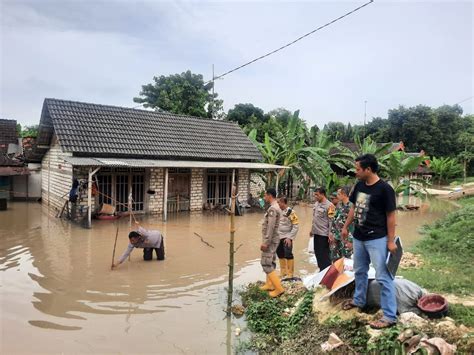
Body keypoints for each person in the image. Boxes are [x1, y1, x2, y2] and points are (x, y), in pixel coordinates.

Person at [341, 154, 398, 329]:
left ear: (368, 169)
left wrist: (390, 241)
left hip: (377, 238)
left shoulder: (385, 189)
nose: (355, 172)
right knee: (360, 271)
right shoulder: (359, 185)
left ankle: (389, 315)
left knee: (383, 276)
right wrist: (345, 226)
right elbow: (354, 208)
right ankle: (359, 301)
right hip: (359, 236)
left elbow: (391, 216)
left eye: (358, 169)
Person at [259, 188, 285, 297]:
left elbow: (270, 227)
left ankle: (279, 289)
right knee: (271, 261)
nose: (264, 197)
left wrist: (266, 242)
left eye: (265, 195)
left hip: (270, 240)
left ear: (269, 195)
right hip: (274, 239)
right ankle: (269, 284)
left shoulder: (273, 209)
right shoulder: (275, 207)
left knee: (265, 263)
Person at [310, 187, 335, 271]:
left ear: (322, 194)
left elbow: (331, 221)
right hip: (316, 233)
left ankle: (326, 272)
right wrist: (311, 229)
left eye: (317, 195)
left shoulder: (330, 206)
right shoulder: (316, 204)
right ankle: (321, 271)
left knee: (324, 255)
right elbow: (314, 218)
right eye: (315, 195)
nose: (315, 197)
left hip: (324, 234)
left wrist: (330, 234)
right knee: (317, 253)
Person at [276, 195, 299, 279]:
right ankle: (283, 272)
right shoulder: (278, 211)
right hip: (278, 236)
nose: (278, 204)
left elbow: (295, 226)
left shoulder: (291, 212)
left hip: (287, 237)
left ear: (283, 202)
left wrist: (290, 238)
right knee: (280, 254)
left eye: (279, 202)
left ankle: (290, 273)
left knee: (288, 254)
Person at [329, 186, 354, 261]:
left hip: (346, 239)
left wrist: (350, 240)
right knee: (335, 259)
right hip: (337, 237)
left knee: (346, 261)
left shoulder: (351, 207)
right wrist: (332, 233)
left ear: (344, 195)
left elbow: (353, 224)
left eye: (339, 194)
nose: (337, 196)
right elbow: (335, 220)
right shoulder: (339, 206)